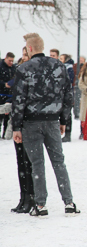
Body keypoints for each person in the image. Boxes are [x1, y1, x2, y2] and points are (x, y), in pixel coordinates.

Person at [11, 33, 81, 217]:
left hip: (31, 122)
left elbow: (19, 99)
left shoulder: (24, 69)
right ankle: (69, 202)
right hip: (52, 121)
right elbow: (68, 95)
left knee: (37, 164)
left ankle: (41, 205)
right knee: (59, 162)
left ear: (30, 49)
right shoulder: (59, 66)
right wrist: (64, 120)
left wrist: (16, 126)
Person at [8, 46, 35, 214]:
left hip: (29, 122)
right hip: (18, 120)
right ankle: (23, 196)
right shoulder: (19, 70)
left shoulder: (33, 72)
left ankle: (31, 196)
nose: (24, 57)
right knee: (21, 163)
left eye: (27, 54)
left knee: (29, 162)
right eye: (23, 54)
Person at [59, 54, 75, 142]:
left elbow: (70, 80)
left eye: (61, 58)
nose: (59, 60)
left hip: (66, 94)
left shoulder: (69, 68)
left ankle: (67, 134)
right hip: (59, 95)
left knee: (67, 115)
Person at [0, 52, 15, 138]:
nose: (11, 63)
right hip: (1, 93)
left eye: (12, 61)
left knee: (7, 116)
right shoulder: (1, 66)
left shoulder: (13, 68)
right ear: (5, 58)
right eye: (9, 61)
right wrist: (4, 84)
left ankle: (5, 135)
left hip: (9, 95)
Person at [74, 56, 86, 121]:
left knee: (81, 100)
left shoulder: (85, 67)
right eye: (80, 59)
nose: (81, 60)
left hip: (82, 85)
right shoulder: (75, 66)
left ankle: (80, 112)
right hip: (75, 84)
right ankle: (76, 112)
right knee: (76, 99)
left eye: (82, 59)